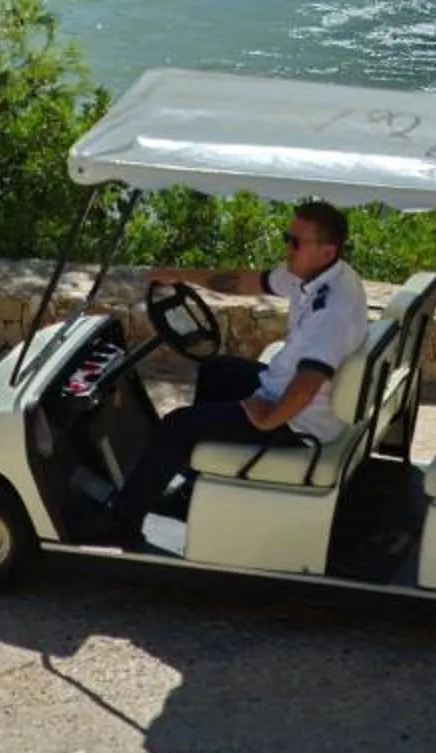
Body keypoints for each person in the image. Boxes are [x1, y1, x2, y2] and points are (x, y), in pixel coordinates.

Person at [107, 200, 368, 548]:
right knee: (216, 370)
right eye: (286, 238)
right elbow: (242, 282)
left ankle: (121, 523)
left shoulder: (333, 312)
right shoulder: (315, 276)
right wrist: (180, 276)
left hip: (297, 422)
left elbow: (307, 384)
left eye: (295, 242)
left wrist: (268, 419)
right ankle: (192, 490)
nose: (287, 249)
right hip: (283, 389)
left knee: (177, 426)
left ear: (327, 250)